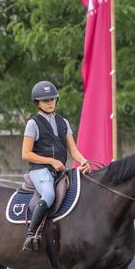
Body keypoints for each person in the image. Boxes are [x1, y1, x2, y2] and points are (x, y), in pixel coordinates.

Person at [21, 81, 90, 252]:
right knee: (49, 194)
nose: (50, 102)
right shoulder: (33, 124)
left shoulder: (63, 122)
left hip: (59, 170)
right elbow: (26, 154)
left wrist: (83, 161)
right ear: (38, 103)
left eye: (52, 99)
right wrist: (50, 161)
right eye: (45, 100)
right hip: (40, 170)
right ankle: (31, 235)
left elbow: (73, 151)